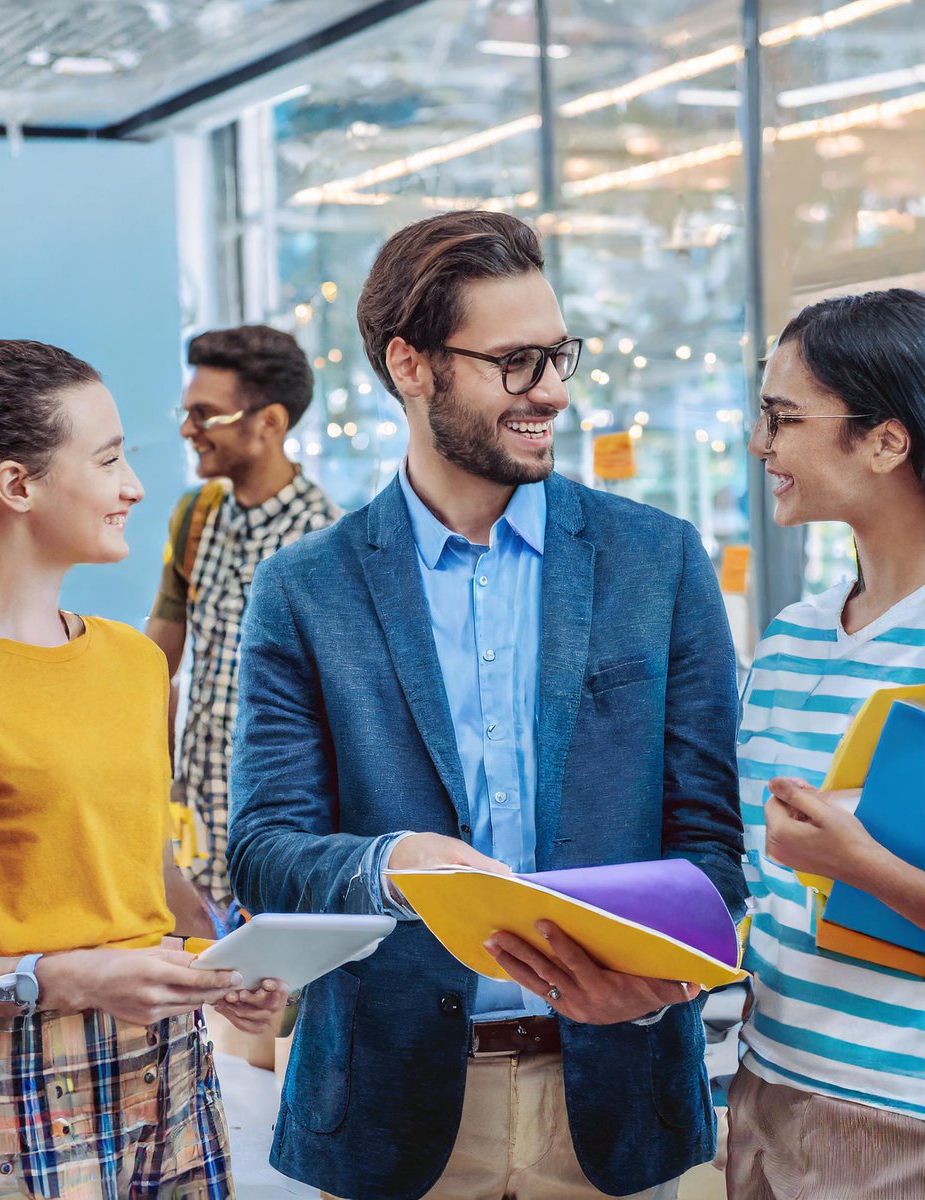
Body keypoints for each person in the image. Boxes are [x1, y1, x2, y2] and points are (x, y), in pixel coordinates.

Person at [227, 211, 746, 1200]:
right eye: (515, 361)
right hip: (393, 1116)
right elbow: (262, 850)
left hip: (618, 1104)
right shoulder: (306, 589)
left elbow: (712, 846)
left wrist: (661, 980)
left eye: (557, 355)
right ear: (411, 366)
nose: (551, 390)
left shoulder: (657, 560)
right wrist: (394, 863)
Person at [0, 339, 285, 1200]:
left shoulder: (137, 665)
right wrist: (64, 973)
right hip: (14, 1075)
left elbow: (145, 866)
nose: (134, 488)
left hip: (169, 1062)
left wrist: (217, 965)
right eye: (107, 460)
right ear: (18, 486)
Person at [728, 289, 925, 1199]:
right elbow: (757, 885)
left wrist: (862, 865)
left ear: (886, 441)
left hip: (900, 1117)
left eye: (783, 417)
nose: (762, 445)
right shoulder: (789, 639)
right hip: (765, 1088)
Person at [145, 325, 339, 917]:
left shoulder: (330, 545)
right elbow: (157, 660)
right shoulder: (196, 516)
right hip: (199, 847)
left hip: (287, 856)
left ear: (269, 423)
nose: (187, 431)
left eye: (205, 415)